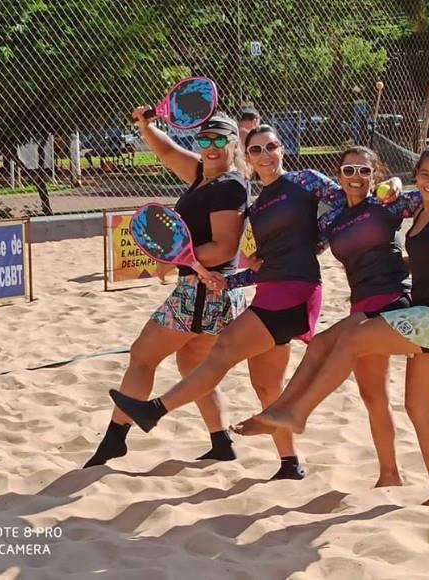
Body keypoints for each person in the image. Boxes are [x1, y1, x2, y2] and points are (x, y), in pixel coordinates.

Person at [231, 146, 429, 488]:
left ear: (375, 175)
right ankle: (388, 474)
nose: (356, 178)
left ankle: (289, 413)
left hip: (394, 301)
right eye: (349, 171)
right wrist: (240, 275)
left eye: (364, 171)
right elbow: (297, 253)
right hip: (362, 305)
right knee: (373, 397)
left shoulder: (389, 204)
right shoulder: (330, 220)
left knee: (329, 344)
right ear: (338, 176)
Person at [109, 124, 350, 480]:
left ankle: (155, 411)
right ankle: (289, 463)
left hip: (297, 291)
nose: (265, 155)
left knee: (220, 353)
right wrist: (234, 278)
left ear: (283, 149)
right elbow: (259, 262)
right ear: (248, 157)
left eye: (272, 147)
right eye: (257, 150)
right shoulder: (257, 206)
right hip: (269, 290)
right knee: (266, 386)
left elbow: (346, 202)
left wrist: (319, 239)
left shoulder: (305, 180)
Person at [84, 111, 249, 468]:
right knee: (192, 362)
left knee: (143, 355)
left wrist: (175, 259)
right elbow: (168, 153)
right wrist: (147, 127)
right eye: (205, 140)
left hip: (204, 288)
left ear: (234, 144)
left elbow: (223, 247)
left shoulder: (229, 185)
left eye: (220, 140)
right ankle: (222, 442)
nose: (211, 146)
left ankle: (115, 439)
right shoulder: (203, 176)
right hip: (211, 291)